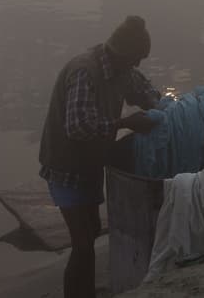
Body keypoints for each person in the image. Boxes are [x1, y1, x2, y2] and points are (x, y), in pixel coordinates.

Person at [39, 16, 161, 298]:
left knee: (92, 231)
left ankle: (86, 291)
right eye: (136, 58)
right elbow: (78, 126)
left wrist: (168, 110)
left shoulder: (123, 71)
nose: (138, 65)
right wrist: (126, 124)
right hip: (65, 169)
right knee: (82, 243)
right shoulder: (84, 71)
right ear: (121, 52)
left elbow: (145, 92)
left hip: (90, 167)